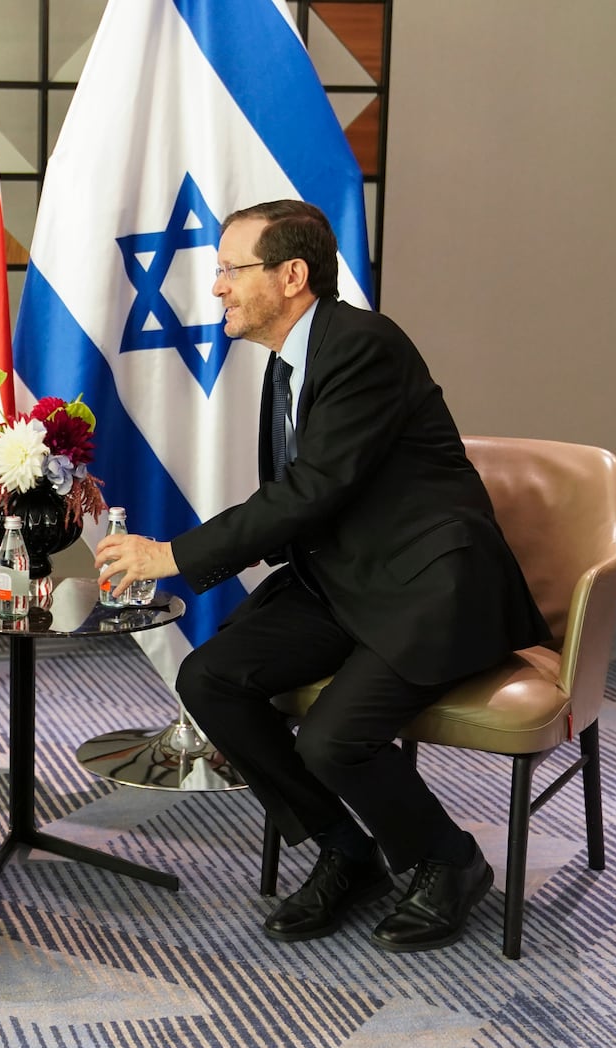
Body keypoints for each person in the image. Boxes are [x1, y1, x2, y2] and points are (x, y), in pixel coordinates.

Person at [95, 200, 548, 954]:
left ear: (291, 275)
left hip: (427, 588)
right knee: (211, 678)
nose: (217, 288)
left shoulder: (363, 346)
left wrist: (172, 554)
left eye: (231, 270)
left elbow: (310, 491)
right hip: (343, 581)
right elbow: (309, 504)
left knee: (332, 741)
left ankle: (449, 858)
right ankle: (346, 846)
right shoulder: (291, 361)